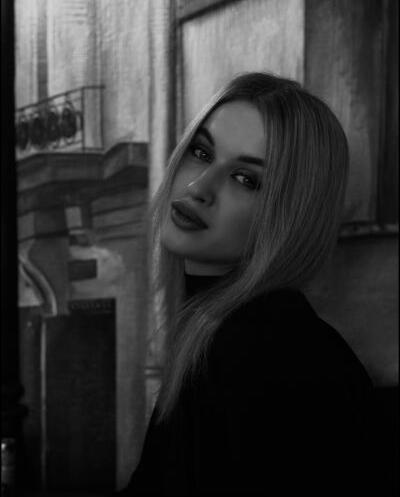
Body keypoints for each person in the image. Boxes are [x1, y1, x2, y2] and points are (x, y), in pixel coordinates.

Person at [119, 72, 383, 495]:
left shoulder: (266, 350)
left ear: (290, 215)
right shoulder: (215, 331)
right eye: (201, 152)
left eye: (246, 179)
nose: (198, 187)